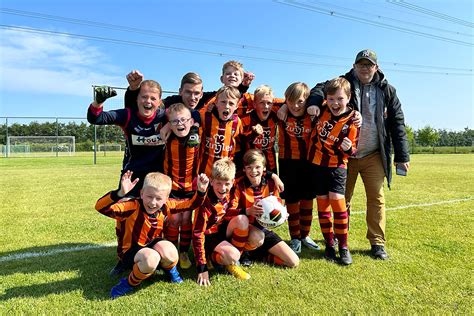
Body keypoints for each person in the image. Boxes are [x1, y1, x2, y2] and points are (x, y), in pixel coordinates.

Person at [306, 49, 410, 259]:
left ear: (376, 68)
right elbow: (319, 88)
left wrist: (402, 156)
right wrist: (314, 104)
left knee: (376, 198)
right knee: (342, 199)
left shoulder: (387, 90)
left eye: (369, 65)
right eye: (361, 64)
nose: (365, 68)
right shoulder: (343, 82)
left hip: (373, 153)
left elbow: (397, 122)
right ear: (354, 66)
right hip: (344, 156)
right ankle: (338, 240)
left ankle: (377, 243)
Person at [95, 170, 209, 298]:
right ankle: (128, 283)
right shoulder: (131, 207)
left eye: (159, 198)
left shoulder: (167, 205)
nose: (153, 202)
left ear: (166, 198)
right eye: (149, 196)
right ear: (141, 193)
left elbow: (191, 204)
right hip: (130, 250)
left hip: (151, 245)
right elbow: (100, 207)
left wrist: (201, 191)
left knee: (171, 252)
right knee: (151, 259)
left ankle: (171, 271)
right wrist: (119, 193)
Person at [307, 77, 358, 265]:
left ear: (348, 98)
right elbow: (314, 92)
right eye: (331, 99)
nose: (335, 103)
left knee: (337, 202)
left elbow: (354, 149)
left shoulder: (353, 120)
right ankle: (329, 244)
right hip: (317, 164)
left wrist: (348, 149)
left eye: (340, 99)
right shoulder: (322, 109)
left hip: (337, 166)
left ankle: (343, 246)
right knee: (322, 204)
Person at [87, 80, 166, 197]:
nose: (148, 101)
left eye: (153, 98)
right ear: (137, 99)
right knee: (126, 211)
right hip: (131, 175)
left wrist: (170, 124)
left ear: (159, 102)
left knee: (155, 213)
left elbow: (190, 116)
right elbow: (96, 118)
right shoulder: (128, 115)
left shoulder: (166, 116)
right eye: (144, 97)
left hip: (157, 177)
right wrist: (98, 102)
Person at [234, 149, 300, 268]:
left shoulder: (271, 184)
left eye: (257, 167)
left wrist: (281, 215)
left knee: (293, 262)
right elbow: (230, 212)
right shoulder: (238, 185)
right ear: (244, 169)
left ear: (264, 168)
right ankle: (244, 253)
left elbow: (277, 205)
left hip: (264, 230)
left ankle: (260, 256)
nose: (253, 171)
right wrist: (248, 211)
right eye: (249, 167)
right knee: (257, 238)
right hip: (246, 230)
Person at [192, 158, 251, 286]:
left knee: (246, 224)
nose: (222, 188)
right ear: (211, 182)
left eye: (226, 184)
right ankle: (213, 259)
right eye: (218, 183)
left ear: (232, 182)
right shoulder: (205, 202)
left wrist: (272, 175)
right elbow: (197, 234)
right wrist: (201, 268)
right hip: (209, 236)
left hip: (222, 230)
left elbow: (253, 169)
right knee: (233, 254)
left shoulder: (232, 191)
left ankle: (232, 260)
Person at [277, 82, 320, 254]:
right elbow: (261, 100)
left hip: (309, 161)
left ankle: (305, 235)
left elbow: (337, 103)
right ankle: (295, 237)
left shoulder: (316, 110)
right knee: (292, 199)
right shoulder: (280, 108)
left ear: (307, 101)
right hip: (288, 161)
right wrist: (282, 106)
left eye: (300, 101)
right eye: (290, 101)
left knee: (308, 198)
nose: (295, 105)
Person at [163, 103, 201, 269]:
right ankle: (170, 253)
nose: (180, 124)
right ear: (169, 125)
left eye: (184, 120)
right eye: (175, 121)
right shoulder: (167, 136)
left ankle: (184, 252)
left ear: (191, 121)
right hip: (171, 187)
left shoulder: (197, 136)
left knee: (186, 219)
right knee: (173, 219)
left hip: (189, 187)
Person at [198, 85, 243, 177]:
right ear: (216, 102)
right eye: (223, 102)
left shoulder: (237, 122)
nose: (226, 106)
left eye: (231, 103)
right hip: (204, 172)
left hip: (225, 174)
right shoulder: (205, 117)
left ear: (236, 106)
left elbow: (238, 142)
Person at [239, 85, 282, 173]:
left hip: (270, 164)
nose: (266, 106)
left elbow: (289, 101)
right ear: (254, 104)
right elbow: (239, 142)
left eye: (269, 103)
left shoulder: (275, 116)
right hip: (251, 167)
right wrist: (253, 134)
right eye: (262, 103)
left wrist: (284, 108)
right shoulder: (245, 120)